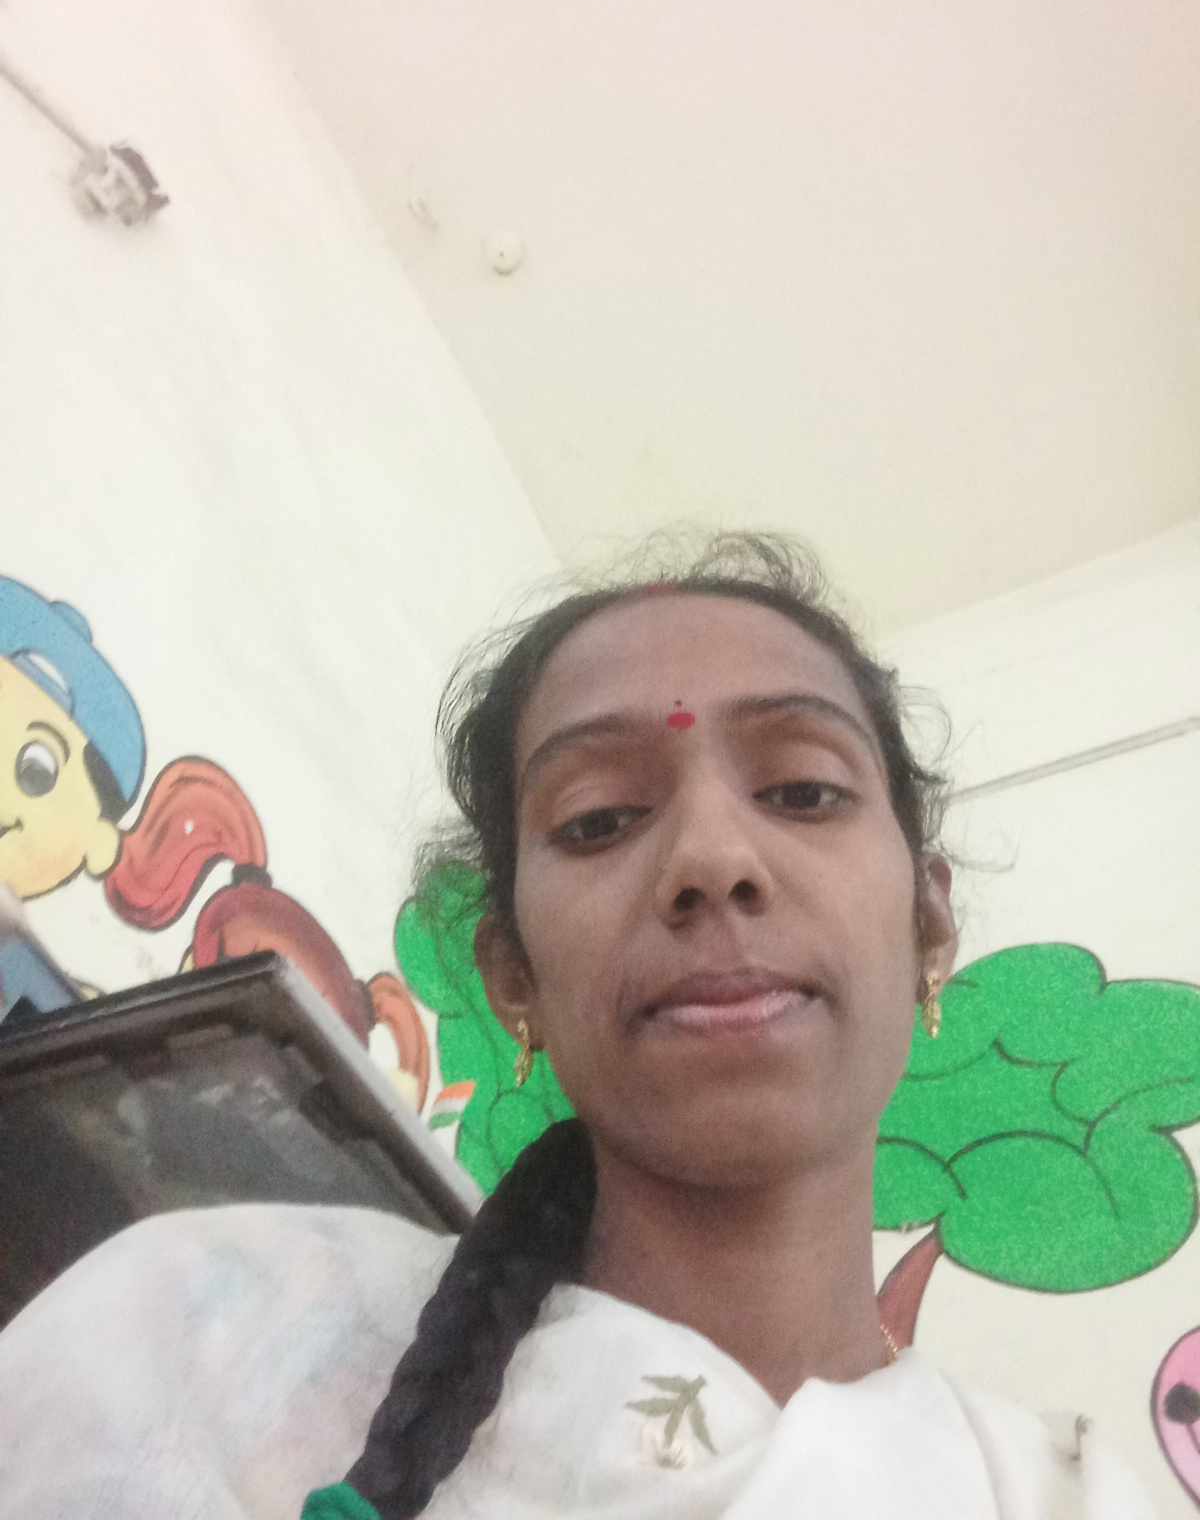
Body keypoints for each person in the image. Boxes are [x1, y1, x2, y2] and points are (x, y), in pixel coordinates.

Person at [0, 533, 1156, 1517]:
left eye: (804, 790)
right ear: (513, 978)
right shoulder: (200, 1335)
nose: (712, 856)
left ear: (928, 925)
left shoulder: (1068, 1497)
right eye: (601, 818)